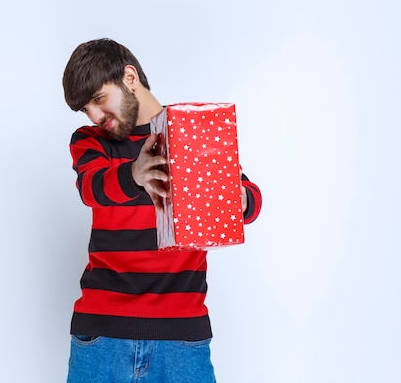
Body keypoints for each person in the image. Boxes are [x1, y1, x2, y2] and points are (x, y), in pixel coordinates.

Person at [62, 38, 263, 383]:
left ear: (129, 77)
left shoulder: (190, 131)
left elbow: (250, 198)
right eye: (86, 109)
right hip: (102, 336)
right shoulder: (90, 140)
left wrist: (237, 198)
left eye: (98, 99)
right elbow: (91, 187)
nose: (95, 115)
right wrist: (134, 174)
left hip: (183, 338)